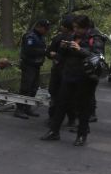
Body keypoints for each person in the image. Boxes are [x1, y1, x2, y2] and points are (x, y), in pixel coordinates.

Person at [41, 15, 102, 147]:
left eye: (78, 28)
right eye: (74, 27)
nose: (76, 30)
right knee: (61, 104)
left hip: (85, 78)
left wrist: (80, 49)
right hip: (68, 75)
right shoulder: (70, 37)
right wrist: (63, 48)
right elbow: (61, 56)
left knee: (83, 108)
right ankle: (54, 131)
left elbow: (97, 56)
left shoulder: (94, 38)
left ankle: (81, 135)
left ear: (86, 28)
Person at [15, 19, 50, 119]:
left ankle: (27, 107)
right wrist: (44, 51)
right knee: (26, 87)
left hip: (36, 65)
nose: (46, 31)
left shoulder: (41, 37)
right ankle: (19, 109)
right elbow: (29, 50)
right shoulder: (30, 36)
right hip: (28, 65)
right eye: (45, 29)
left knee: (34, 88)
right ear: (39, 26)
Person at [46, 15, 74, 124]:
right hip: (67, 70)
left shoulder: (60, 38)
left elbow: (49, 52)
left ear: (66, 27)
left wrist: (55, 55)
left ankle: (53, 117)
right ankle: (70, 118)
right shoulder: (76, 38)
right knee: (67, 95)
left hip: (60, 70)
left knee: (56, 94)